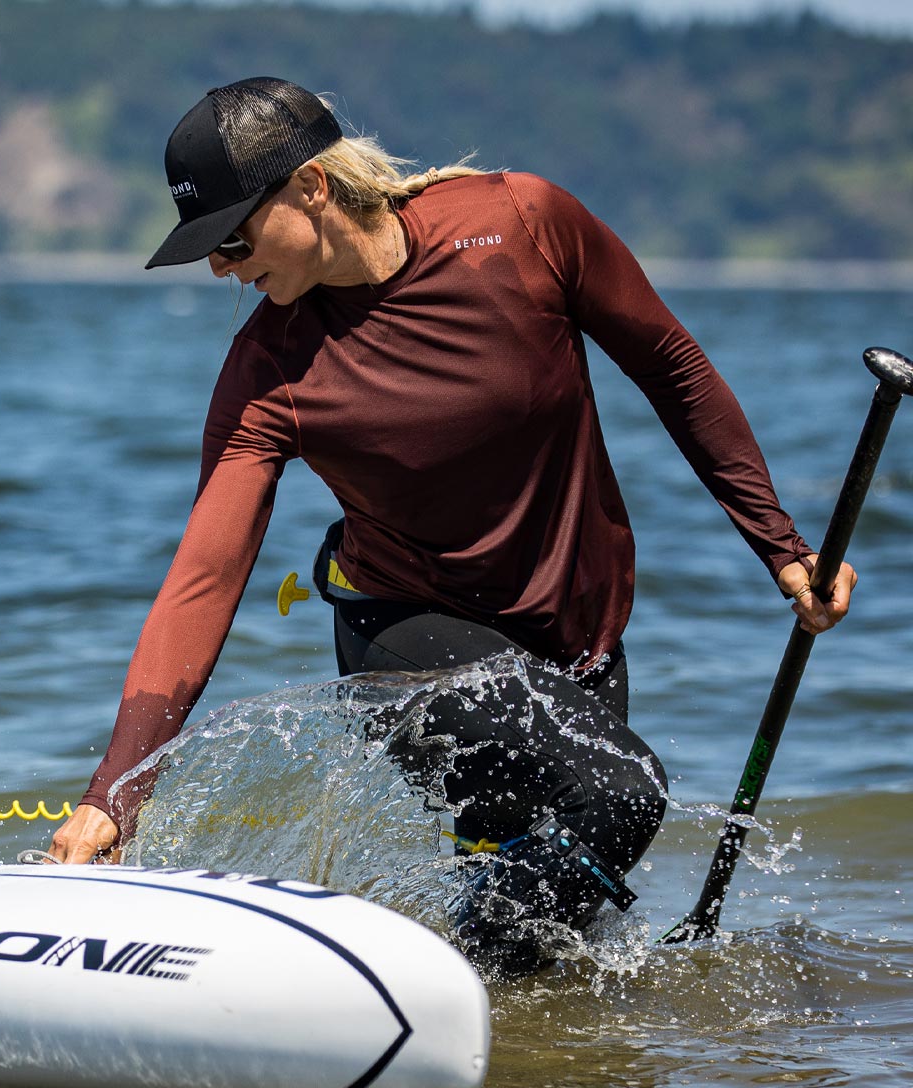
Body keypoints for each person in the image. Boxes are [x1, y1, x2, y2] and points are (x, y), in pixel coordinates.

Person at [48, 77, 856, 976]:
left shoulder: (525, 226)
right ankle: (429, 1000)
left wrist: (783, 550)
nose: (221, 269)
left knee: (556, 934)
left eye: (233, 236)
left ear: (312, 188)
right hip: (404, 637)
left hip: (577, 641)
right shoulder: (269, 370)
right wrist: (114, 795)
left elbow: (675, 369)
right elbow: (205, 577)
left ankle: (457, 1030)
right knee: (621, 795)